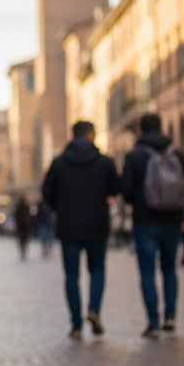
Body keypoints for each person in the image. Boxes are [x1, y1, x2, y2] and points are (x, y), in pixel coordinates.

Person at [41, 120, 120, 338]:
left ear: (72, 136)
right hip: (97, 224)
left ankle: (76, 324)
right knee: (97, 270)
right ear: (91, 135)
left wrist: (61, 207)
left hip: (68, 226)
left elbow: (46, 192)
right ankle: (94, 310)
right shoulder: (104, 162)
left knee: (71, 276)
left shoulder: (58, 163)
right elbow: (116, 189)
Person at [120, 113, 184, 338]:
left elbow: (127, 191)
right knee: (170, 269)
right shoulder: (178, 155)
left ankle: (153, 322)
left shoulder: (134, 156)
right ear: (162, 128)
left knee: (147, 272)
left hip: (145, 222)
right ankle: (170, 317)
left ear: (140, 130)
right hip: (172, 220)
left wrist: (141, 203)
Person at [13, 194, 34, 260]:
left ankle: (23, 252)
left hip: (23, 226)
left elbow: (30, 215)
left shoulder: (25, 206)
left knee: (23, 239)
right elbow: (15, 215)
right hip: (22, 226)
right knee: (23, 239)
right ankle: (23, 252)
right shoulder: (20, 206)